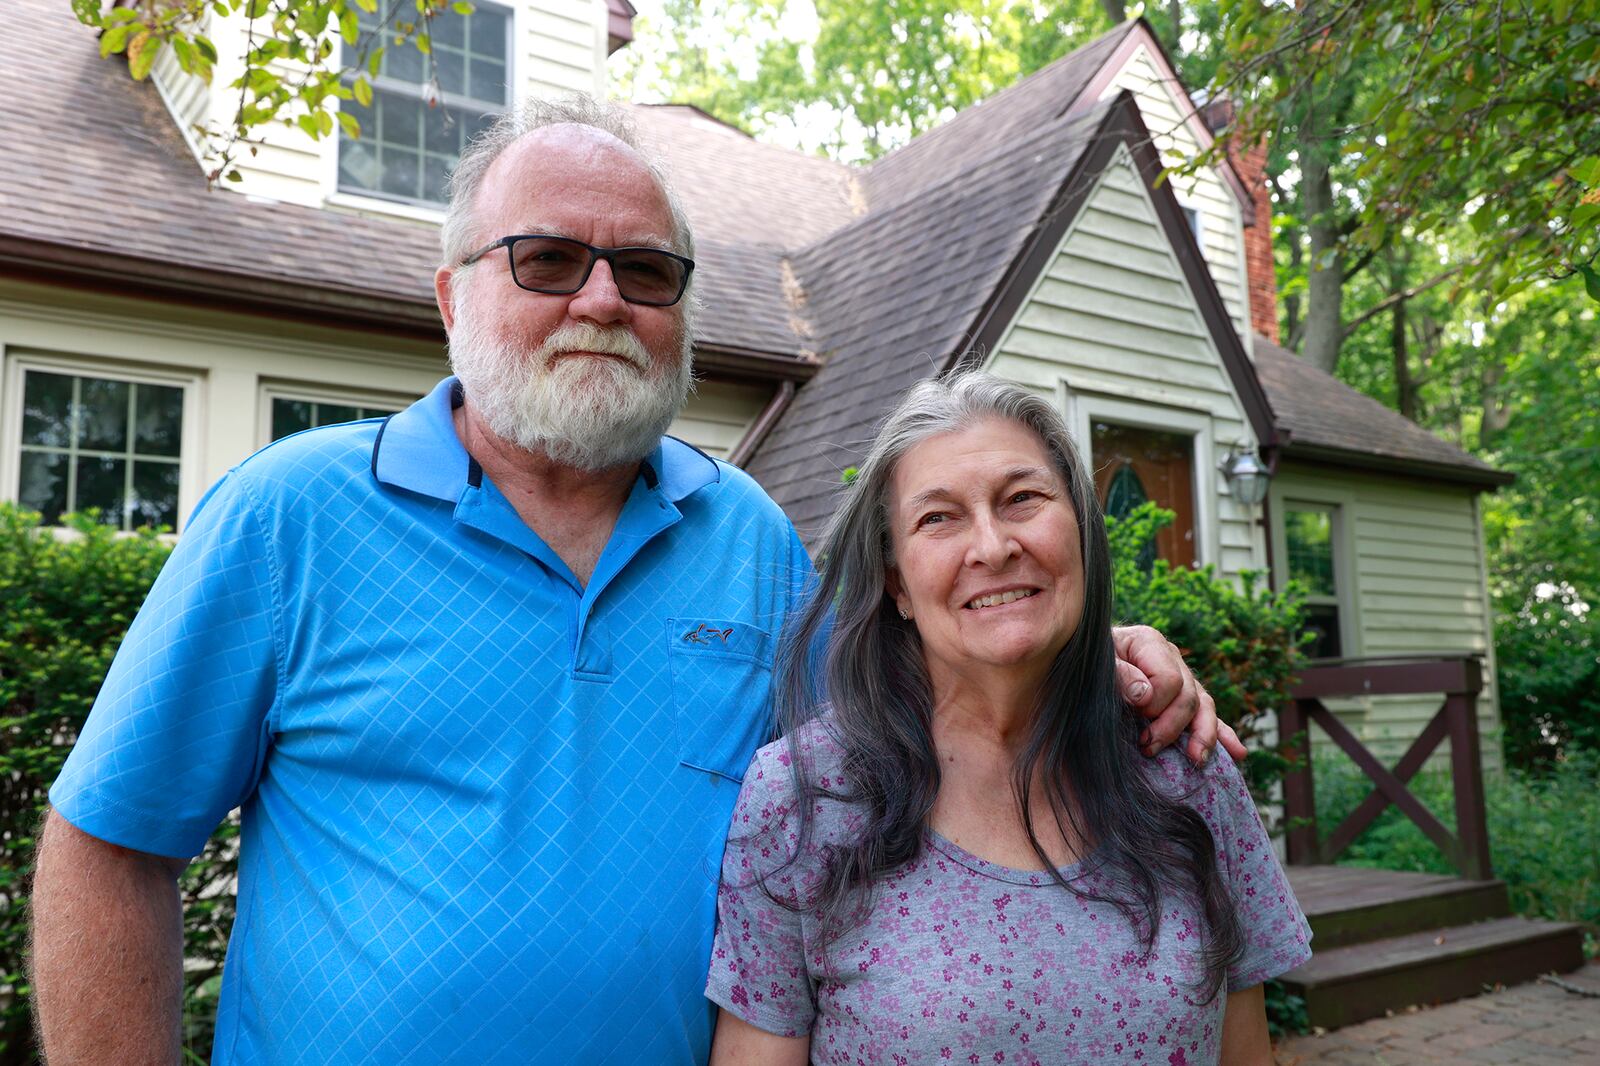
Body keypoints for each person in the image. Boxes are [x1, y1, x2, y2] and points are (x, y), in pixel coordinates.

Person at [31, 96, 1238, 1066]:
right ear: (454, 296)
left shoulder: (751, 540)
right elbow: (109, 845)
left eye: (645, 271)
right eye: (548, 258)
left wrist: (1108, 655)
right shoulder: (291, 515)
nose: (601, 298)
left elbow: (935, 722)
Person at [706, 372, 1312, 1065]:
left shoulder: (1184, 769)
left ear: (1081, 533)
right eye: (938, 517)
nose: (992, 547)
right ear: (899, 584)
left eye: (1022, 499)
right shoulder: (802, 798)